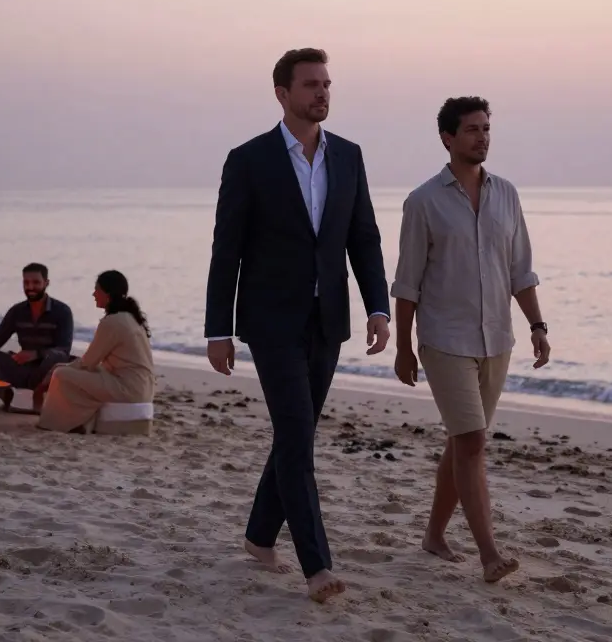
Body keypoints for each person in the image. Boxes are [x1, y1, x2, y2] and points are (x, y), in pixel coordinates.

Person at [204, 47, 391, 603]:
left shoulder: (349, 156)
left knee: (296, 434)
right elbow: (226, 250)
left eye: (327, 83)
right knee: (294, 434)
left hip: (327, 318)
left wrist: (377, 308)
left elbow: (364, 238)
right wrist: (219, 328)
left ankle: (260, 537)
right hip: (269, 320)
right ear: (283, 94)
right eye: (311, 84)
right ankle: (317, 566)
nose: (322, 93)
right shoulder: (249, 159)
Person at [390, 96, 551, 584]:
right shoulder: (422, 201)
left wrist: (537, 326)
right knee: (474, 440)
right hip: (444, 339)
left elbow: (519, 270)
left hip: (496, 340)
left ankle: (434, 536)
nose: (482, 137)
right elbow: (407, 281)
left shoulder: (507, 195)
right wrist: (403, 346)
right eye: (471, 130)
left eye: (486, 128)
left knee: (463, 443)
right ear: (447, 138)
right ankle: (489, 555)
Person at [37, 270, 155, 435]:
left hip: (127, 389)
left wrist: (61, 368)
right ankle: (77, 419)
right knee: (66, 370)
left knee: (60, 374)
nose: (94, 294)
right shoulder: (131, 318)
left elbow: (88, 363)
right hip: (143, 387)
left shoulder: (112, 322)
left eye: (97, 289)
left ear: (107, 294)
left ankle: (54, 424)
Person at [0, 262, 74, 410]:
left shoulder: (62, 311)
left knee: (58, 357)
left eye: (36, 282)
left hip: (48, 370)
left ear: (46, 283)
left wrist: (36, 354)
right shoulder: (17, 311)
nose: (30, 287)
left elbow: (64, 349)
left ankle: (37, 398)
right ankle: (4, 395)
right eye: (26, 282)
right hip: (23, 368)